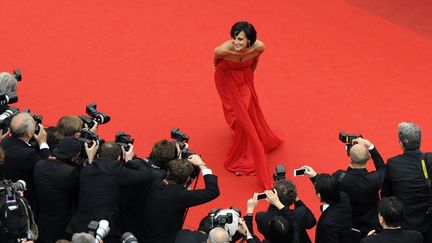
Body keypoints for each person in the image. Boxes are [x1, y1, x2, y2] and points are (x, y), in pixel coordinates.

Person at [213, 21, 282, 188]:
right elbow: (216, 64)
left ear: (249, 41)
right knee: (235, 116)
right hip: (226, 79)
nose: (236, 42)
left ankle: (245, 152)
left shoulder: (259, 47)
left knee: (245, 111)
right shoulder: (222, 50)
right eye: (235, 38)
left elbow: (255, 61)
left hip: (244, 79)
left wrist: (250, 73)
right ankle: (240, 135)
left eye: (240, 40)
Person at [66, 142, 157, 243]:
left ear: (99, 155)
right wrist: (129, 161)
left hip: (79, 226)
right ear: (119, 157)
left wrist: (91, 158)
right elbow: (146, 175)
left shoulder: (86, 169)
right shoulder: (117, 171)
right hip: (105, 230)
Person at [302, 137, 385, 242]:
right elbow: (382, 168)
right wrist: (371, 147)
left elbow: (327, 188)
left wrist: (314, 177)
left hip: (348, 227)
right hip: (371, 227)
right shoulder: (375, 179)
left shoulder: (339, 177)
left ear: (350, 158)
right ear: (368, 158)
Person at [137, 154, 220, 243]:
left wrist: (179, 160)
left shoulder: (154, 180)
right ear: (188, 179)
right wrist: (201, 165)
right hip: (161, 238)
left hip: (139, 231)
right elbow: (212, 191)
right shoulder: (181, 196)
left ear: (168, 171)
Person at [34, 137, 97, 243]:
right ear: (74, 157)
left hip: (42, 221)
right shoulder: (70, 172)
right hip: (62, 223)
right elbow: (87, 186)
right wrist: (90, 161)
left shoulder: (39, 165)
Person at [381, 122, 432, 242]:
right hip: (428, 222)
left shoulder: (393, 164)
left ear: (401, 143)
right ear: (420, 140)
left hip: (405, 225)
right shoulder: (429, 159)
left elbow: (385, 194)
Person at [0, 112, 50, 219]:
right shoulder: (28, 154)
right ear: (29, 134)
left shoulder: (3, 141)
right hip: (24, 198)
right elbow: (45, 168)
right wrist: (43, 144)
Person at [307, 173, 352, 243]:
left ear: (319, 195)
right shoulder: (344, 197)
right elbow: (330, 187)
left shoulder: (325, 224)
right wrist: (315, 177)